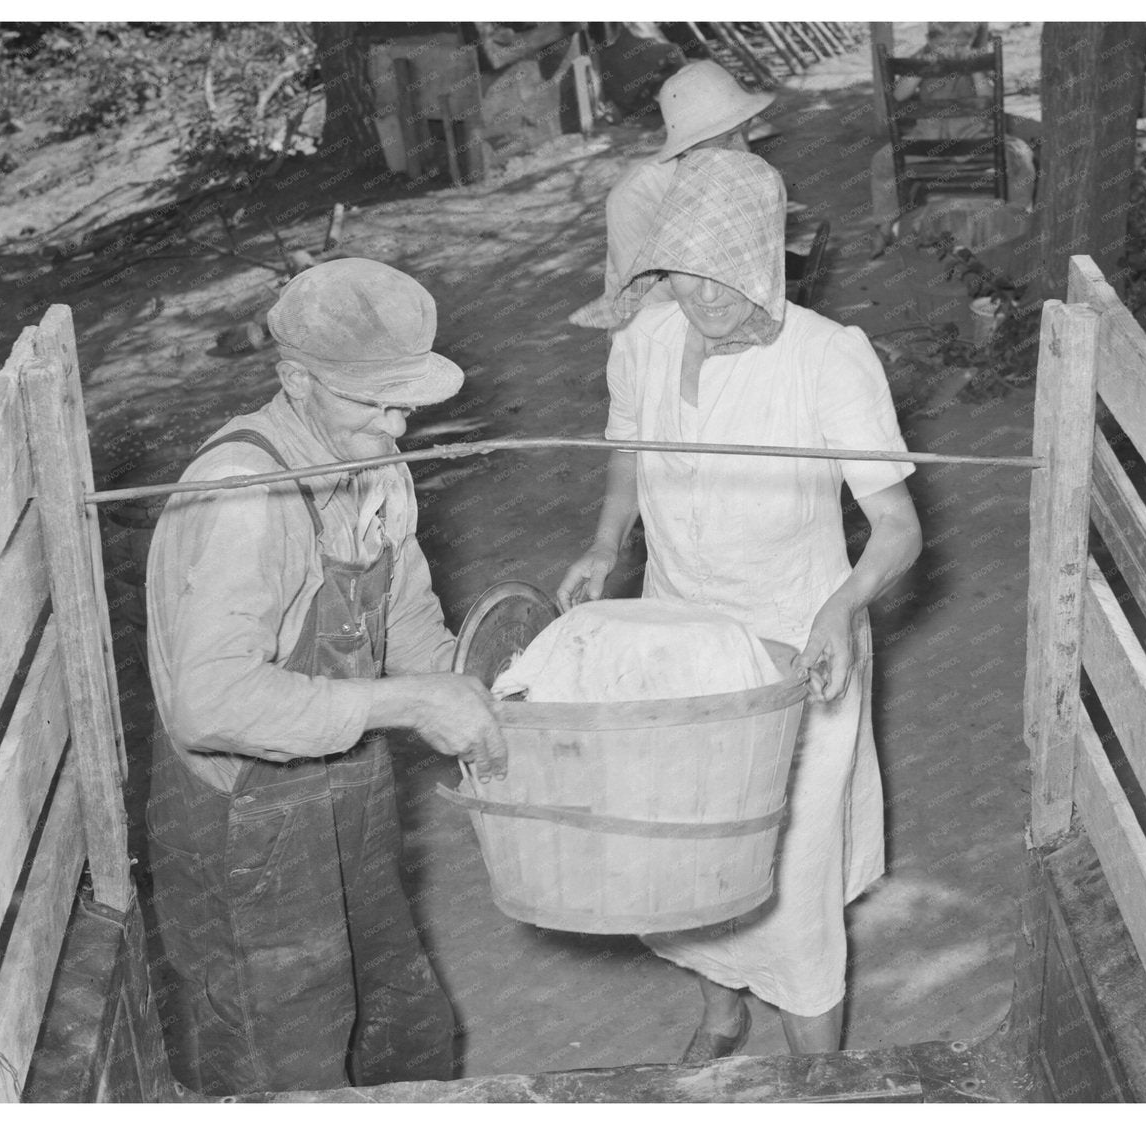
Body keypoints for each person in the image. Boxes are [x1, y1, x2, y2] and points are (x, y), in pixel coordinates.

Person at [557, 148, 922, 1060]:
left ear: (766, 259)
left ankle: (821, 1075)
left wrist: (841, 608)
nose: (706, 297)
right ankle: (723, 1010)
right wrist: (607, 543)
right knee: (691, 851)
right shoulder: (643, 338)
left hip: (801, 651)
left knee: (790, 878)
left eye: (725, 276)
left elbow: (898, 529)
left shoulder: (828, 356)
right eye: (685, 273)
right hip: (678, 642)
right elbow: (630, 455)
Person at [143, 258, 508, 1095]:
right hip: (247, 824)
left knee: (405, 1030)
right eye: (370, 401)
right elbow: (211, 703)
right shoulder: (245, 495)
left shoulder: (374, 456)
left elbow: (406, 622)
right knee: (288, 1068)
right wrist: (413, 703)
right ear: (294, 378)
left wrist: (483, 686)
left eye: (404, 402)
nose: (395, 425)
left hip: (349, 790)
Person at [569, 60, 775, 330]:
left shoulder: (733, 175)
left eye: (744, 131)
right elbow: (654, 304)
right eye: (728, 138)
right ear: (688, 146)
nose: (745, 150)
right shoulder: (635, 198)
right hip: (658, 335)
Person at [869, 22, 1037, 252]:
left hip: (975, 139)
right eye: (943, 42)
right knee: (882, 160)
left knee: (1021, 156)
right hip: (931, 141)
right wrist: (923, 64)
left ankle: (1017, 216)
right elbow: (899, 94)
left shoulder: (977, 60)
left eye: (959, 42)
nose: (951, 48)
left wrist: (974, 66)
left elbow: (989, 97)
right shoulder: (922, 59)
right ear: (931, 39)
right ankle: (885, 227)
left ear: (970, 39)